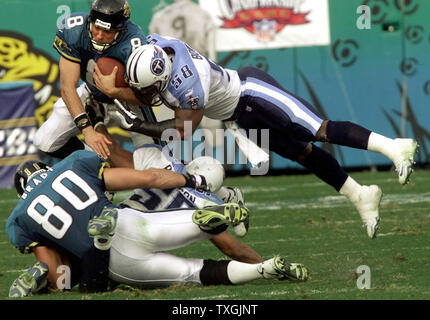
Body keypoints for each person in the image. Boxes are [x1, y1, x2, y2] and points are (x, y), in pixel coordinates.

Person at [110, 35, 419, 239]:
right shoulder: (153, 47)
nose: (144, 95)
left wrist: (135, 126)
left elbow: (183, 131)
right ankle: (360, 195)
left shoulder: (187, 84)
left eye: (149, 89)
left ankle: (394, 146)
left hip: (250, 91)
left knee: (316, 129)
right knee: (302, 154)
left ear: (164, 75)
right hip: (239, 114)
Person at [7, 150, 308, 297]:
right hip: (133, 221)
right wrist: (192, 181)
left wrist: (52, 283)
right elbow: (148, 178)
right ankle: (202, 223)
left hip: (112, 259)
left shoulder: (20, 218)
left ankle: (262, 270)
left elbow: (54, 269)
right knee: (162, 228)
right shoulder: (74, 163)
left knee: (191, 272)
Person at [33, 0, 152, 161]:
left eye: (107, 31)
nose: (99, 35)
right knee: (44, 141)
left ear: (120, 30)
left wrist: (114, 91)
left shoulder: (135, 44)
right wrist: (87, 131)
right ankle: (96, 163)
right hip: (92, 93)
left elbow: (147, 99)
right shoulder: (74, 30)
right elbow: (68, 87)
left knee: (151, 163)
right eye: (97, 27)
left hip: (128, 100)